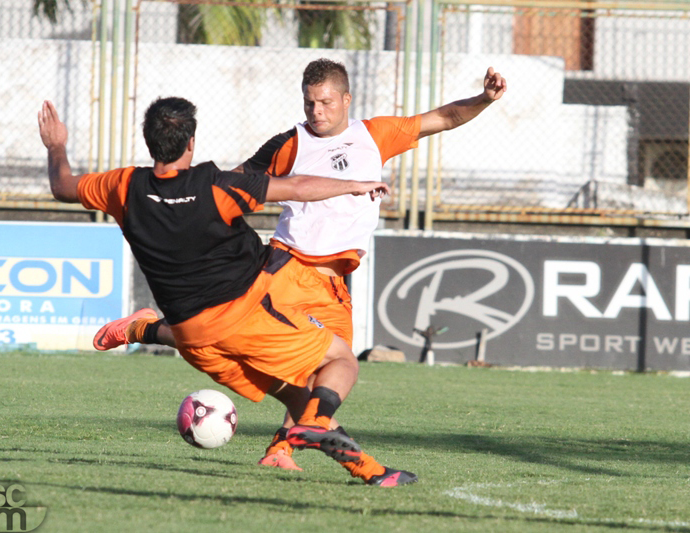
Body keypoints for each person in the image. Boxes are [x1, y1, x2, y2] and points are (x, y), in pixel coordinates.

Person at [96, 59, 506, 478]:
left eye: (326, 102)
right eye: (309, 103)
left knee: (325, 381)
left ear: (346, 99)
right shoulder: (289, 143)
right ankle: (356, 465)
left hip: (334, 285)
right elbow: (232, 183)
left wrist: (484, 99)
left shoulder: (376, 135)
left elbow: (443, 117)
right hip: (287, 270)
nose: (317, 112)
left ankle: (280, 446)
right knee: (309, 370)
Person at [38, 96, 415, 486]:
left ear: (149, 142)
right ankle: (317, 425)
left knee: (297, 395)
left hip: (194, 339)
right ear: (191, 142)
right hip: (247, 317)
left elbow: (62, 186)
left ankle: (369, 471)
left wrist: (56, 145)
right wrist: (354, 184)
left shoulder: (123, 186)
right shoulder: (214, 186)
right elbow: (296, 187)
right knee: (340, 361)